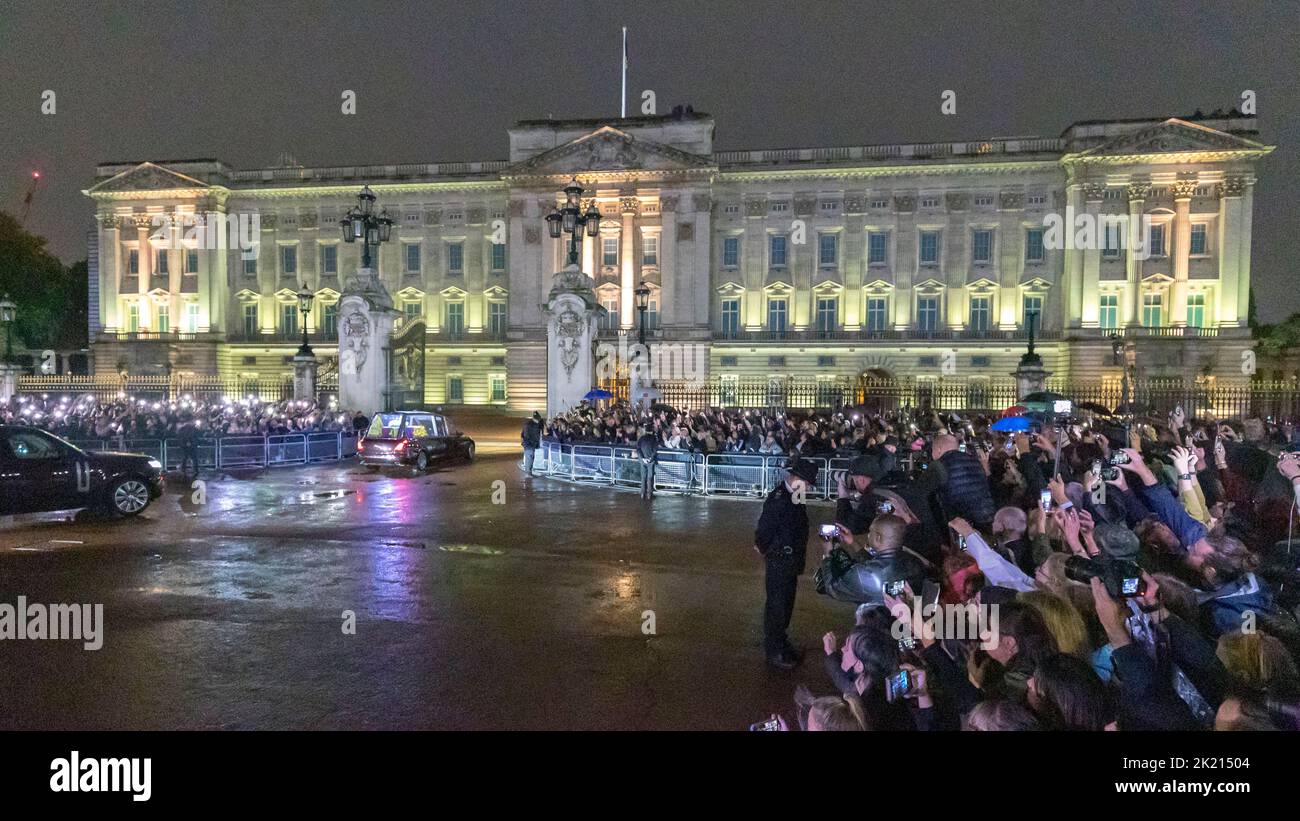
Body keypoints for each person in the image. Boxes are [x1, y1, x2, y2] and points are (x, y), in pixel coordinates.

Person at [754, 458, 816, 670]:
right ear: (796, 478)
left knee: (785, 604)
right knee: (777, 606)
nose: (808, 488)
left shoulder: (793, 496)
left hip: (789, 560)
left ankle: (781, 641)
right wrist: (765, 549)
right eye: (807, 483)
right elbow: (764, 529)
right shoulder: (780, 498)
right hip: (780, 560)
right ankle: (774, 650)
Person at [636, 425, 657, 500]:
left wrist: (642, 458)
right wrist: (650, 458)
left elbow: (638, 449)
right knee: (650, 477)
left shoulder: (641, 438)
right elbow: (655, 450)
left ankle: (642, 493)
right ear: (651, 431)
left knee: (643, 477)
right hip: (650, 461)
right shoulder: (654, 438)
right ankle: (649, 494)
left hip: (643, 461)